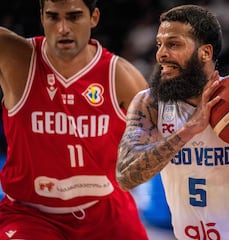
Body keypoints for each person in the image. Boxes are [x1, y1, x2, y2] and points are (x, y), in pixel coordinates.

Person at [116, 4, 229, 240]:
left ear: (205, 52)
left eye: (173, 44)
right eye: (160, 44)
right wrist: (188, 130)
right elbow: (125, 177)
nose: (161, 54)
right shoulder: (151, 104)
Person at [0, 0, 149, 239]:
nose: (63, 28)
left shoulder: (121, 76)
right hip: (29, 214)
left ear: (94, 17)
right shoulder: (16, 58)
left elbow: (152, 145)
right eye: (53, 17)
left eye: (74, 17)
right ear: (41, 17)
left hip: (105, 208)